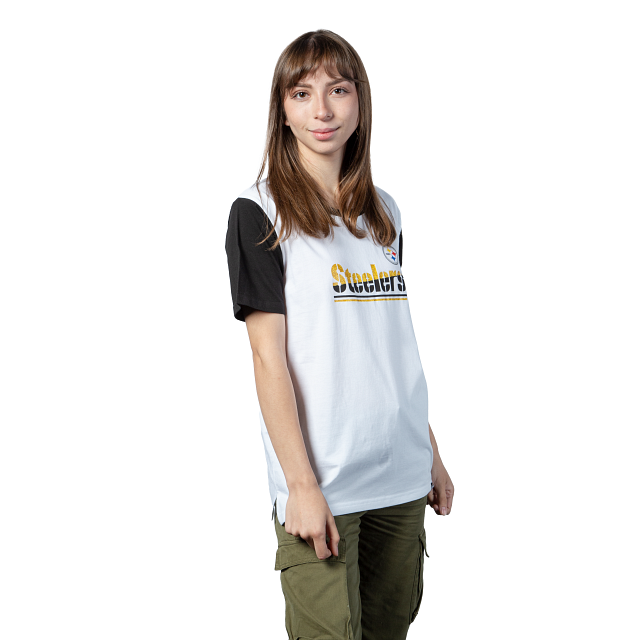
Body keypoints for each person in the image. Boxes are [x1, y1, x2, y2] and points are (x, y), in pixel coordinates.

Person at [225, 29, 454, 640]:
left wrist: (430, 453)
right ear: (282, 110)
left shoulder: (385, 212)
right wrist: (300, 486)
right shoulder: (260, 212)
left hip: (401, 473)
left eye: (338, 90)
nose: (322, 110)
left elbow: (389, 346)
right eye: (301, 94)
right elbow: (267, 359)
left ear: (360, 103)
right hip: (324, 482)